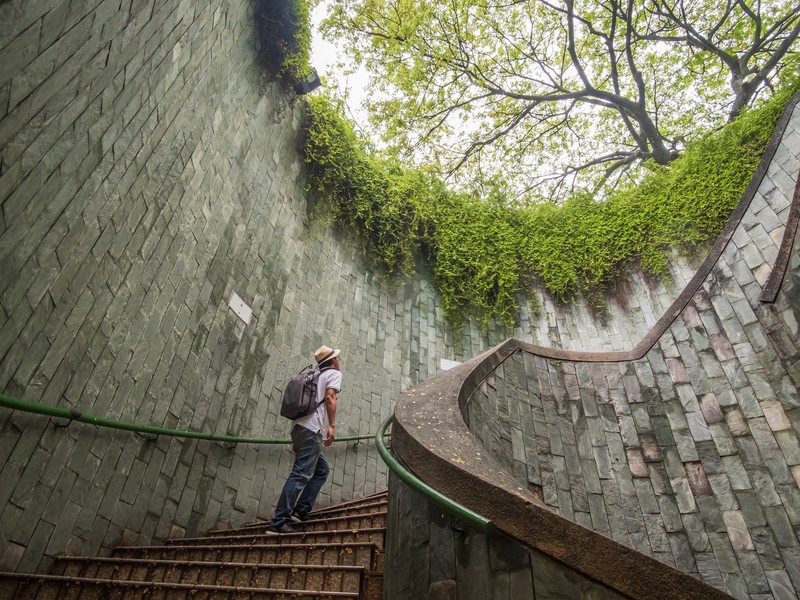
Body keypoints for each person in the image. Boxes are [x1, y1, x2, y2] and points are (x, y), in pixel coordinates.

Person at [266, 345, 341, 533]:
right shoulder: (333, 374)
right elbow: (330, 398)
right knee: (300, 475)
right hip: (311, 431)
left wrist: (297, 440)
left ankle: (300, 511)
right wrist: (331, 426)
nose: (339, 361)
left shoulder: (314, 376)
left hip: (299, 429)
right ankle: (279, 522)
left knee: (321, 470)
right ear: (332, 361)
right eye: (337, 358)